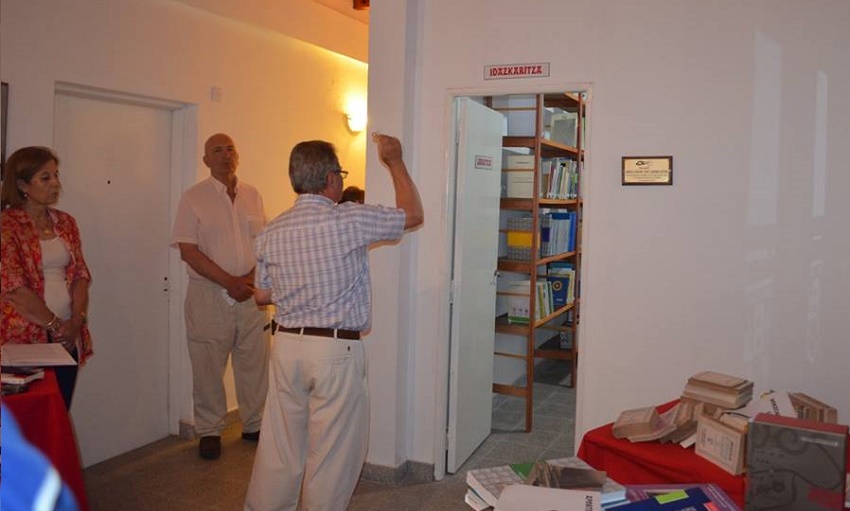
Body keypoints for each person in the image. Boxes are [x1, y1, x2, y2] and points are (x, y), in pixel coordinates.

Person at [244, 133, 424, 511]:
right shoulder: (349, 219)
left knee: (280, 448)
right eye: (339, 174)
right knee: (333, 453)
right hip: (335, 350)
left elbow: (261, 295)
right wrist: (394, 162)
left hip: (287, 346)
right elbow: (413, 215)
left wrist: (298, 288)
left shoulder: (271, 230)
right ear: (330, 179)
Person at [171, 133, 270, 461]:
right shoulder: (193, 198)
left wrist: (250, 280)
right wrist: (229, 281)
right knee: (208, 365)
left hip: (250, 294)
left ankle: (254, 424)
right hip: (209, 295)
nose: (226, 155)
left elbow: (264, 245)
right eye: (218, 150)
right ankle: (210, 430)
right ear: (206, 160)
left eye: (230, 149)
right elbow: (188, 249)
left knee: (254, 362)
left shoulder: (253, 195)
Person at [0, 146, 93, 409]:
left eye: (56, 175)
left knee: (60, 410)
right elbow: (15, 289)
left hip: (67, 335)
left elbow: (80, 275)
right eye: (45, 177)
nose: (55, 184)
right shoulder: (6, 226)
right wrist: (55, 325)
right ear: (22, 185)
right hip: (23, 338)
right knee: (29, 418)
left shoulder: (65, 222)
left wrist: (76, 320)